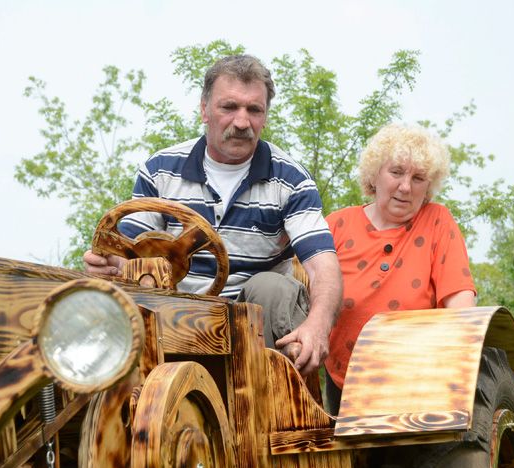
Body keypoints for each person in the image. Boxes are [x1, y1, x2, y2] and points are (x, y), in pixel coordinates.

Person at [83, 55, 342, 376]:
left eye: (254, 110)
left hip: (255, 323)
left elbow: (322, 266)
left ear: (265, 115)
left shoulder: (290, 179)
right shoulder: (160, 170)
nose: (242, 122)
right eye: (229, 107)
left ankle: (274, 394)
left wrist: (318, 325)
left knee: (271, 286)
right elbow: (130, 256)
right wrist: (110, 264)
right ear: (204, 109)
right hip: (172, 312)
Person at [323, 124, 477, 410]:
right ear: (375, 175)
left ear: (428, 186)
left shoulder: (437, 221)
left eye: (418, 178)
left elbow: (460, 304)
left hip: (417, 382)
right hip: (344, 383)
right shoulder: (336, 225)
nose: (406, 187)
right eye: (396, 172)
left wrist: (484, 341)